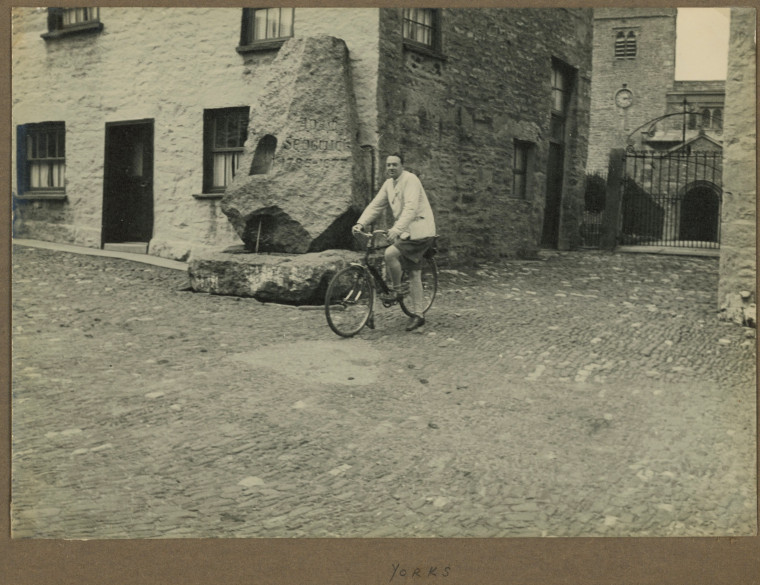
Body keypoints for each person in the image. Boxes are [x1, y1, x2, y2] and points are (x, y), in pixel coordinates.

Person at [353, 153, 436, 332]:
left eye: (394, 165)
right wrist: (361, 223)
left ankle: (411, 307)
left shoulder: (410, 180)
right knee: (399, 264)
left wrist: (396, 229)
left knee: (393, 256)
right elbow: (376, 205)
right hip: (406, 231)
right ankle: (390, 300)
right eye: (388, 165)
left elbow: (411, 208)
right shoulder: (388, 184)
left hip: (419, 230)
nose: (391, 168)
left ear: (402, 166)